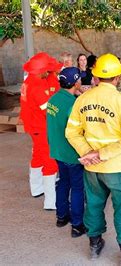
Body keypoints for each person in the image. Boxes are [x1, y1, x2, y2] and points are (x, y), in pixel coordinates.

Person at [66, 54, 121, 264]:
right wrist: (101, 154)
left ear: (95, 77)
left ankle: (95, 245)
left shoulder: (83, 99)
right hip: (118, 168)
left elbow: (72, 133)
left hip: (92, 169)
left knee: (94, 205)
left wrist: (89, 153)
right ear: (117, 78)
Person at [46, 67, 87, 237]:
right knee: (78, 188)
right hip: (71, 153)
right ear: (75, 82)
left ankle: (61, 217)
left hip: (56, 151)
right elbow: (78, 131)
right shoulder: (73, 105)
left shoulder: (53, 99)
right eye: (80, 80)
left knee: (63, 182)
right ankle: (77, 225)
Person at [20, 52, 60, 210]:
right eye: (47, 70)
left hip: (33, 127)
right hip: (41, 127)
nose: (48, 72)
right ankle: (51, 201)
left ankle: (36, 188)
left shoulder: (29, 80)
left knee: (37, 156)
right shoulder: (37, 86)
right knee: (50, 162)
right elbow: (48, 110)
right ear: (41, 70)